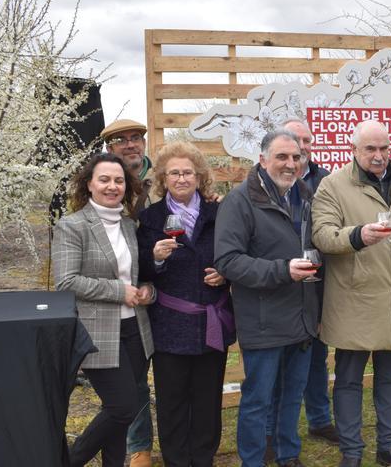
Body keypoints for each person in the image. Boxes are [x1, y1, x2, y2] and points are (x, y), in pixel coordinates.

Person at [312, 120, 391, 467]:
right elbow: (322, 235)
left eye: (384, 148)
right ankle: (352, 451)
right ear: (354, 150)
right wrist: (358, 235)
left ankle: (388, 447)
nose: (379, 156)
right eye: (370, 149)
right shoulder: (332, 186)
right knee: (349, 380)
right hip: (355, 300)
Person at [214, 129, 319, 467]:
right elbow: (228, 261)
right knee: (257, 400)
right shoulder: (240, 201)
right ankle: (253, 461)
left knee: (292, 396)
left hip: (301, 316)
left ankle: (288, 455)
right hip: (263, 319)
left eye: (296, 157)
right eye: (282, 157)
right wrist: (282, 270)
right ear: (262, 160)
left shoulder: (305, 195)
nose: (290, 164)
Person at [136, 141, 235, 466]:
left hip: (211, 322)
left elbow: (236, 255)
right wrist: (155, 258)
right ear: (163, 178)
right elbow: (138, 269)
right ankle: (177, 460)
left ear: (199, 176)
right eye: (174, 173)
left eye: (188, 172)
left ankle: (203, 458)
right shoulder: (150, 218)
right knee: (172, 401)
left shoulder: (219, 214)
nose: (181, 178)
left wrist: (225, 274)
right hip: (170, 325)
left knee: (208, 399)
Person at [53, 153, 155, 467]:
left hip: (135, 330)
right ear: (89, 184)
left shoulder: (129, 225)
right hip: (98, 332)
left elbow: (136, 275)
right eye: (104, 179)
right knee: (123, 407)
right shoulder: (72, 226)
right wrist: (118, 291)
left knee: (118, 411)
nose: (112, 186)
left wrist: (147, 290)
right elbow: (66, 282)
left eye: (119, 180)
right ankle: (67, 461)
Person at [264, 119, 337, 463]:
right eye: (296, 141)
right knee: (277, 367)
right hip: (278, 285)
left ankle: (319, 419)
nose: (302, 147)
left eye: (307, 140)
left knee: (316, 358)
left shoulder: (326, 180)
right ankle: (270, 433)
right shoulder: (266, 182)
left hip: (317, 284)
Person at [100, 119, 155, 466]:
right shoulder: (106, 183)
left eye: (136, 138)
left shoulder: (163, 178)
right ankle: (139, 447)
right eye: (121, 141)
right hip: (125, 294)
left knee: (169, 374)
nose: (130, 145)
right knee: (132, 381)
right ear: (111, 148)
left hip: (165, 288)